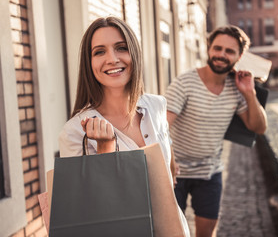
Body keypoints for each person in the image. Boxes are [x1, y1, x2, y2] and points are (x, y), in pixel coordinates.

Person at [58, 16, 190, 236]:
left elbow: (166, 148)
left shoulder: (156, 105)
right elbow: (88, 208)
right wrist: (105, 149)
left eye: (121, 48)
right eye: (99, 51)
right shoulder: (75, 132)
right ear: (88, 63)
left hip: (172, 228)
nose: (112, 58)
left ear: (134, 54)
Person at [165, 25, 267, 237]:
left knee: (206, 234)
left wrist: (249, 93)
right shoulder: (184, 83)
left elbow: (258, 127)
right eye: (217, 48)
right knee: (172, 232)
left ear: (239, 56)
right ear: (209, 48)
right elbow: (161, 127)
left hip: (210, 173)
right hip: (175, 173)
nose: (222, 55)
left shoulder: (236, 88)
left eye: (229, 51)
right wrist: (169, 160)